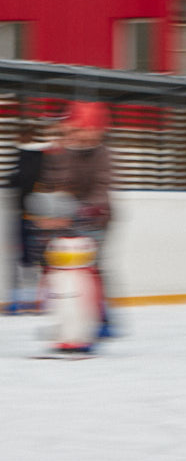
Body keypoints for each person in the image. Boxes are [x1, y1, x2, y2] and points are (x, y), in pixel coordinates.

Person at [38, 101, 116, 337]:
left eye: (82, 129)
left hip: (98, 218)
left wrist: (89, 207)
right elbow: (54, 182)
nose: (79, 135)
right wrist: (50, 208)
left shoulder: (102, 154)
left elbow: (103, 184)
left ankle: (101, 317)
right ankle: (65, 315)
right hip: (67, 217)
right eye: (73, 129)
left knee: (92, 267)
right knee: (56, 265)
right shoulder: (63, 152)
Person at [6, 122, 52, 314]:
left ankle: (38, 300)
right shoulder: (26, 157)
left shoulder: (33, 157)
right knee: (23, 258)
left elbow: (24, 180)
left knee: (36, 258)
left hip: (34, 216)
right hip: (27, 215)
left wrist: (13, 178)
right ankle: (24, 300)